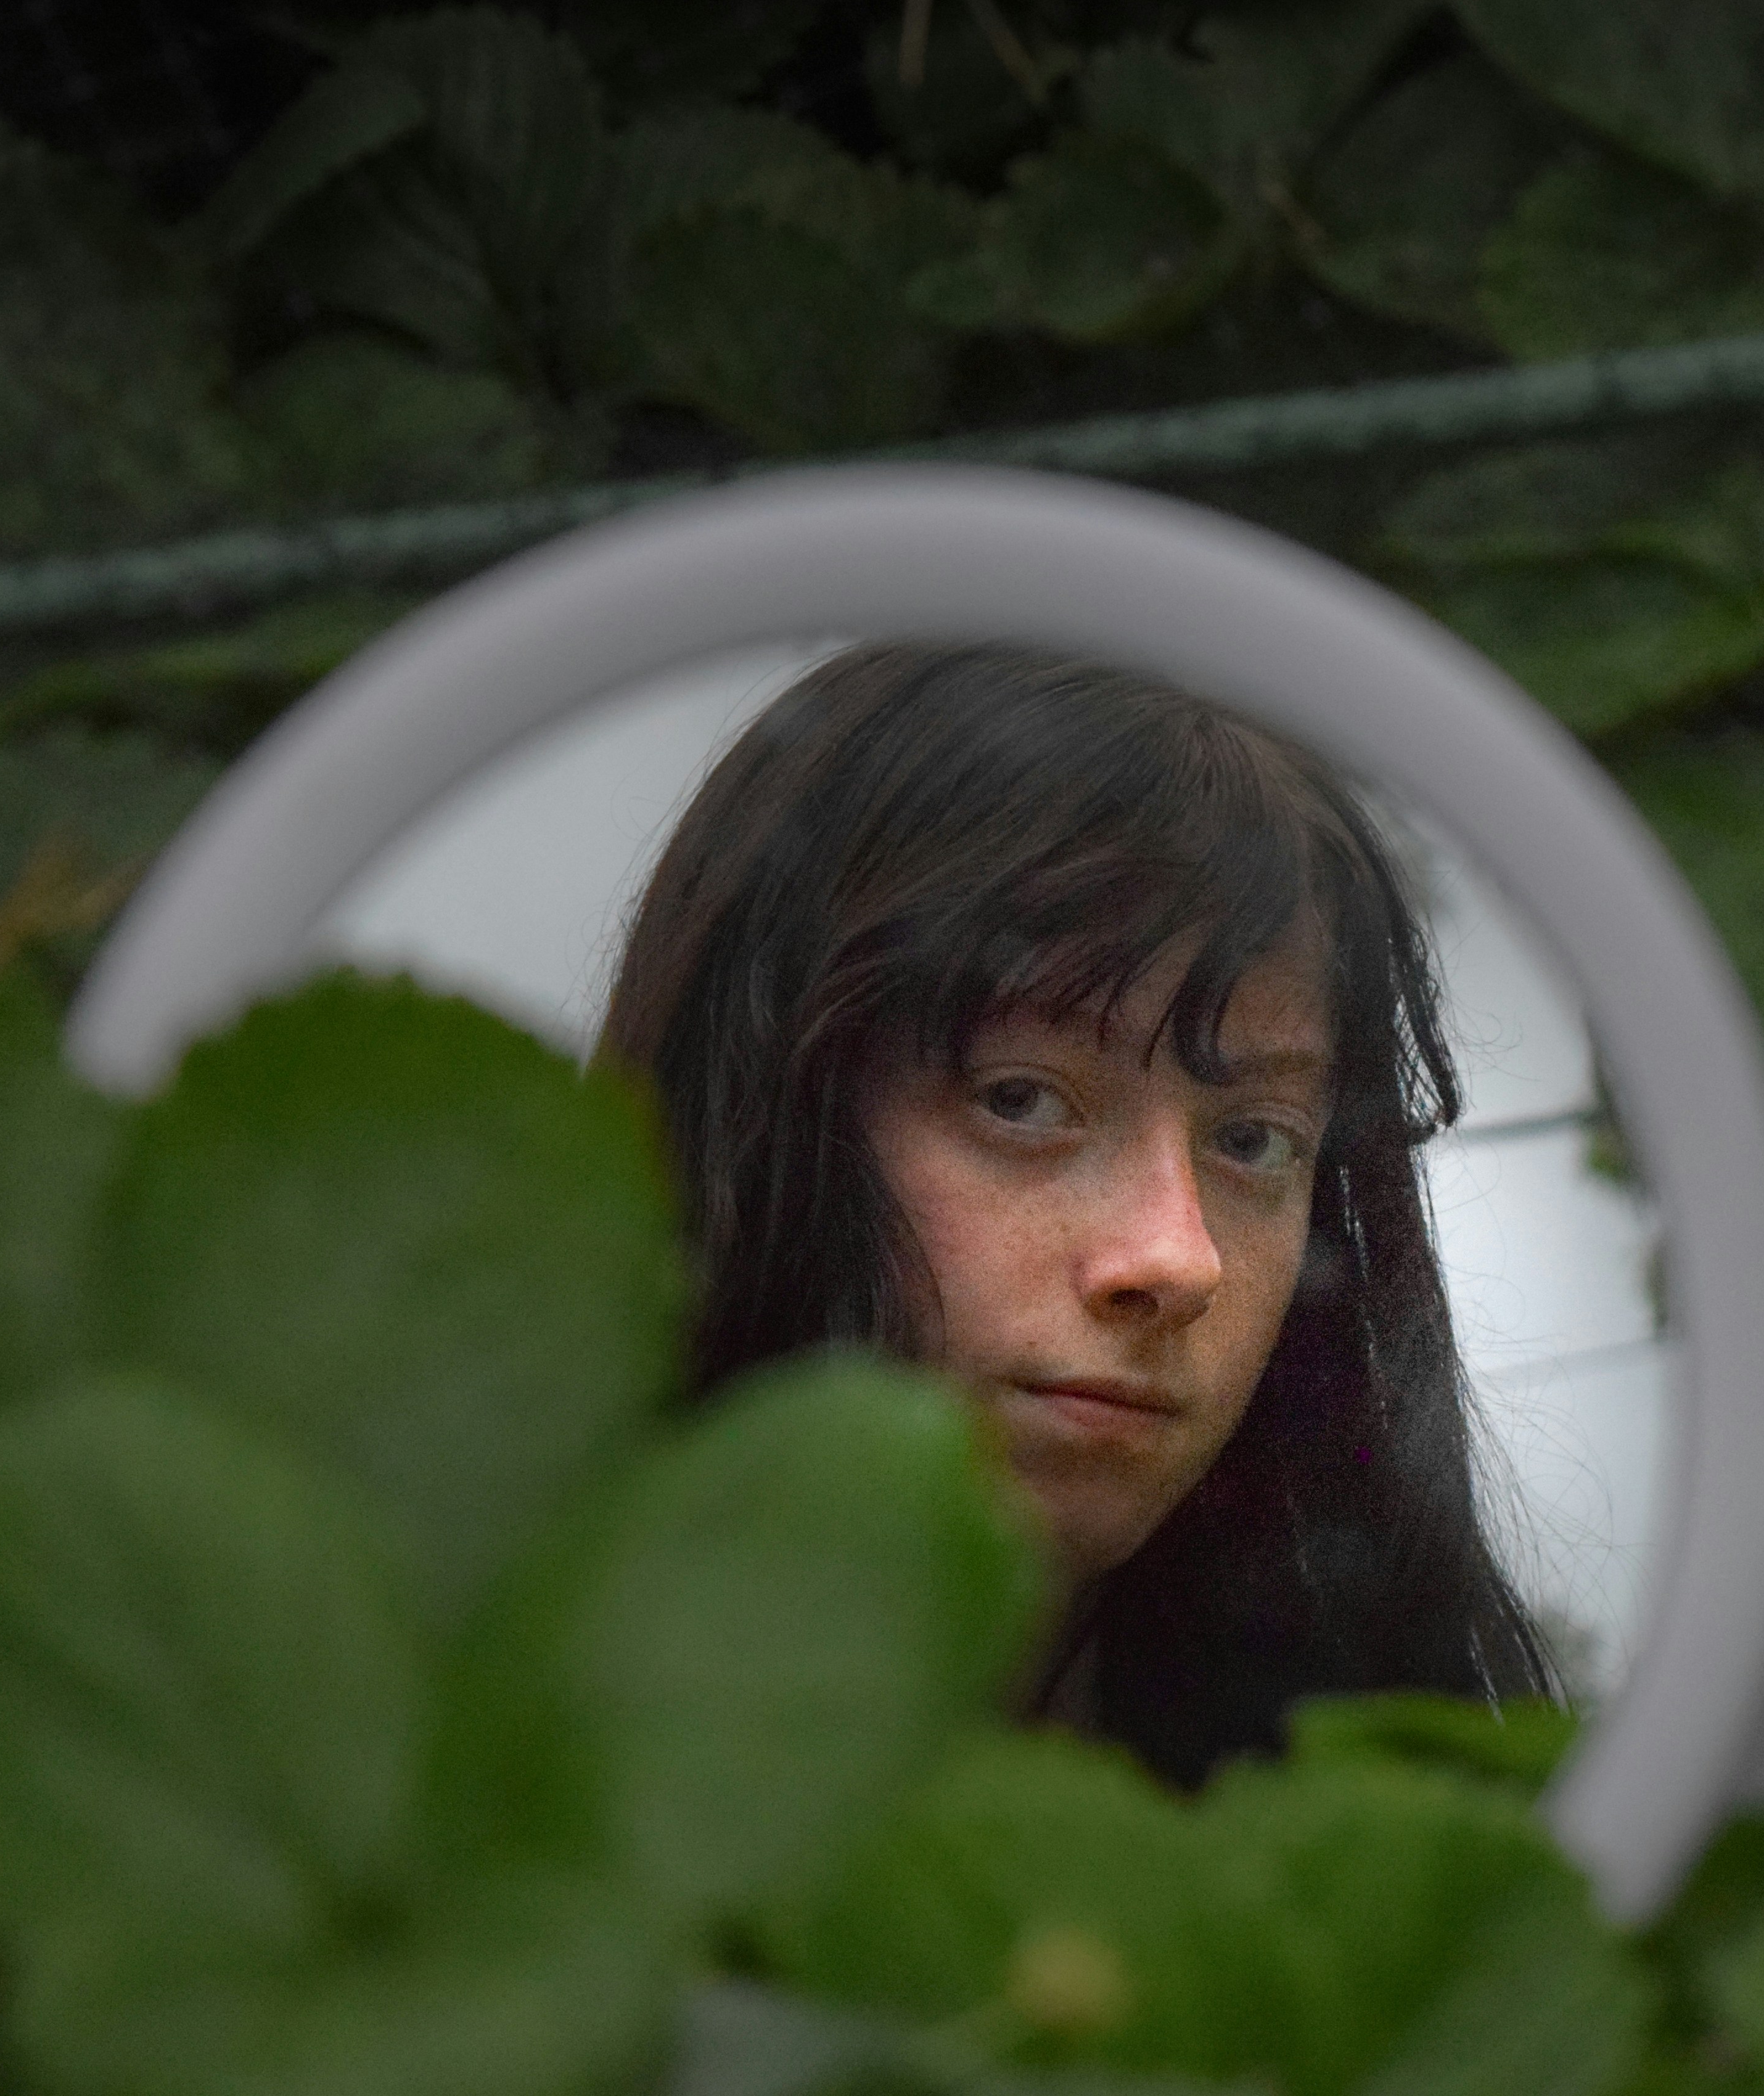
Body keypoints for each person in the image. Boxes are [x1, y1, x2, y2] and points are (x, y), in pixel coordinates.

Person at [596, 641, 1556, 1786]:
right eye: (1022, 1101)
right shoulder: (471, 1766)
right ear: (759, 1118)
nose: (1179, 1258)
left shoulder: (1390, 1828)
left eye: (1254, 1140)